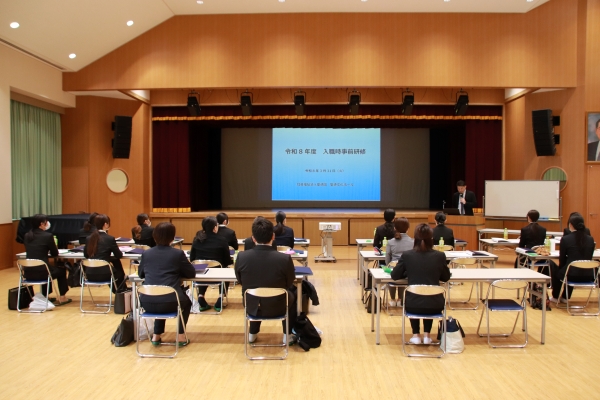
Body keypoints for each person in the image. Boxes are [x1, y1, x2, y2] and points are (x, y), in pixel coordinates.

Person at [234, 216, 297, 344]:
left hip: (251, 305)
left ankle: (252, 334)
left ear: (253, 238)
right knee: (292, 295)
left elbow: (240, 280)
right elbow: (289, 282)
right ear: (273, 236)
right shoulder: (284, 259)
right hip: (278, 306)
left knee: (255, 293)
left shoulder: (242, 257)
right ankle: (287, 335)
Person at [391, 223, 451, 344]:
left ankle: (416, 335)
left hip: (413, 304)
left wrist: (407, 272)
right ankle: (427, 335)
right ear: (431, 239)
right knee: (429, 294)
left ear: (415, 238)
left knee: (416, 296)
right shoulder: (440, 256)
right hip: (435, 304)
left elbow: (395, 275)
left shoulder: (407, 255)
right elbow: (445, 277)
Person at [138, 222, 196, 346]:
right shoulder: (177, 254)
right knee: (186, 303)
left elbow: (140, 274)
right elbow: (191, 273)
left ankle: (156, 335)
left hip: (147, 302)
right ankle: (181, 336)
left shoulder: (146, 253)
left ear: (154, 236)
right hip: (170, 302)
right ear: (172, 237)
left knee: (159, 293)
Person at [23, 214, 71, 304]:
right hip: (43, 272)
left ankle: (45, 296)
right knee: (61, 270)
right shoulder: (47, 236)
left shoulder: (27, 235)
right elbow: (55, 253)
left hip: (28, 272)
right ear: (42, 224)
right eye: (46, 222)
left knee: (46, 268)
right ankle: (62, 297)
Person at [549, 214, 596, 302]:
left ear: (570, 225)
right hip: (588, 275)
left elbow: (562, 259)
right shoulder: (590, 239)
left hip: (571, 275)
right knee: (571, 267)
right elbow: (589, 256)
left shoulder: (566, 239)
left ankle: (555, 296)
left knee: (558, 268)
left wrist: (561, 269)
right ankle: (565, 297)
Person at [189, 216, 232, 311]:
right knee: (226, 270)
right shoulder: (222, 240)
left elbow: (192, 259)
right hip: (218, 275)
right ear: (215, 227)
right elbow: (227, 261)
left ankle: (200, 296)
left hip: (200, 276)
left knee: (203, 269)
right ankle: (220, 297)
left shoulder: (197, 239)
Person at [83, 214, 126, 293]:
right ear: (106, 224)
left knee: (114, 264)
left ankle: (119, 291)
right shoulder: (110, 239)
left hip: (89, 274)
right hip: (104, 274)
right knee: (118, 269)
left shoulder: (89, 238)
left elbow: (86, 255)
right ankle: (120, 292)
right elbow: (119, 255)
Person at [385, 217, 413, 307]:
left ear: (395, 228)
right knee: (403, 272)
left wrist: (388, 266)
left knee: (393, 271)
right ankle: (400, 299)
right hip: (407, 272)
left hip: (393, 269)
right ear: (408, 228)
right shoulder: (413, 242)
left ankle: (392, 299)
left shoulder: (390, 242)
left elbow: (387, 257)